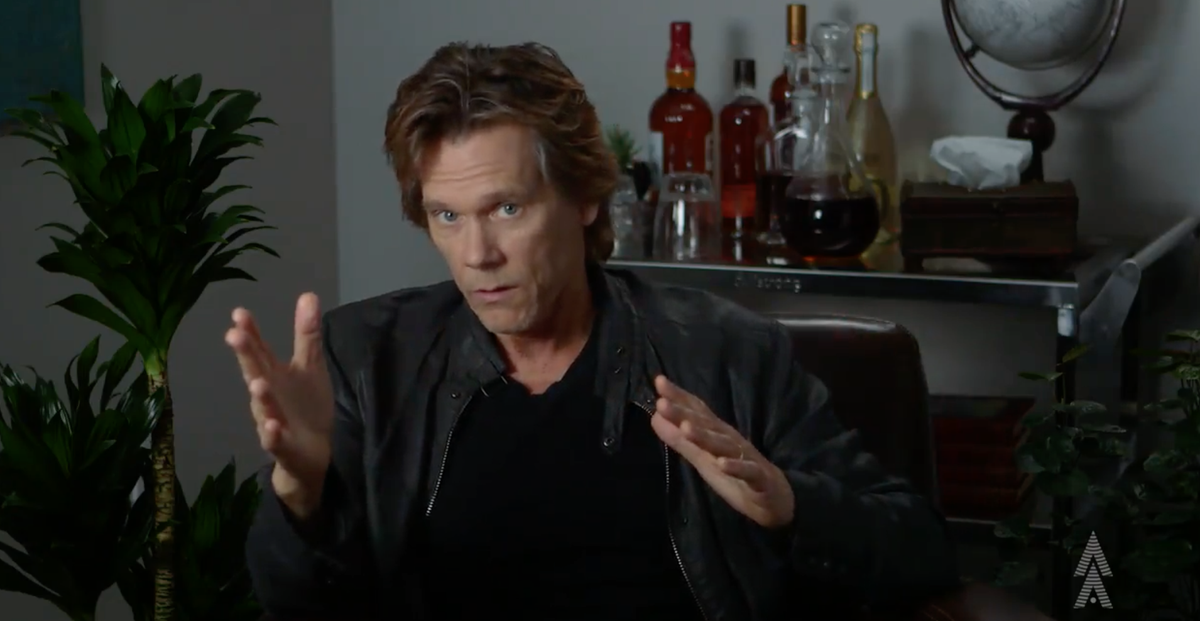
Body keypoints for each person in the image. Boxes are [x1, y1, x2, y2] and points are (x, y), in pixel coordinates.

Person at [227, 41, 959, 621]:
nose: (477, 254)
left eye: (507, 208)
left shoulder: (728, 352)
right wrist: (301, 492)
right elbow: (295, 604)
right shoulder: (367, 359)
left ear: (583, 197)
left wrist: (789, 505)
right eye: (448, 216)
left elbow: (921, 550)